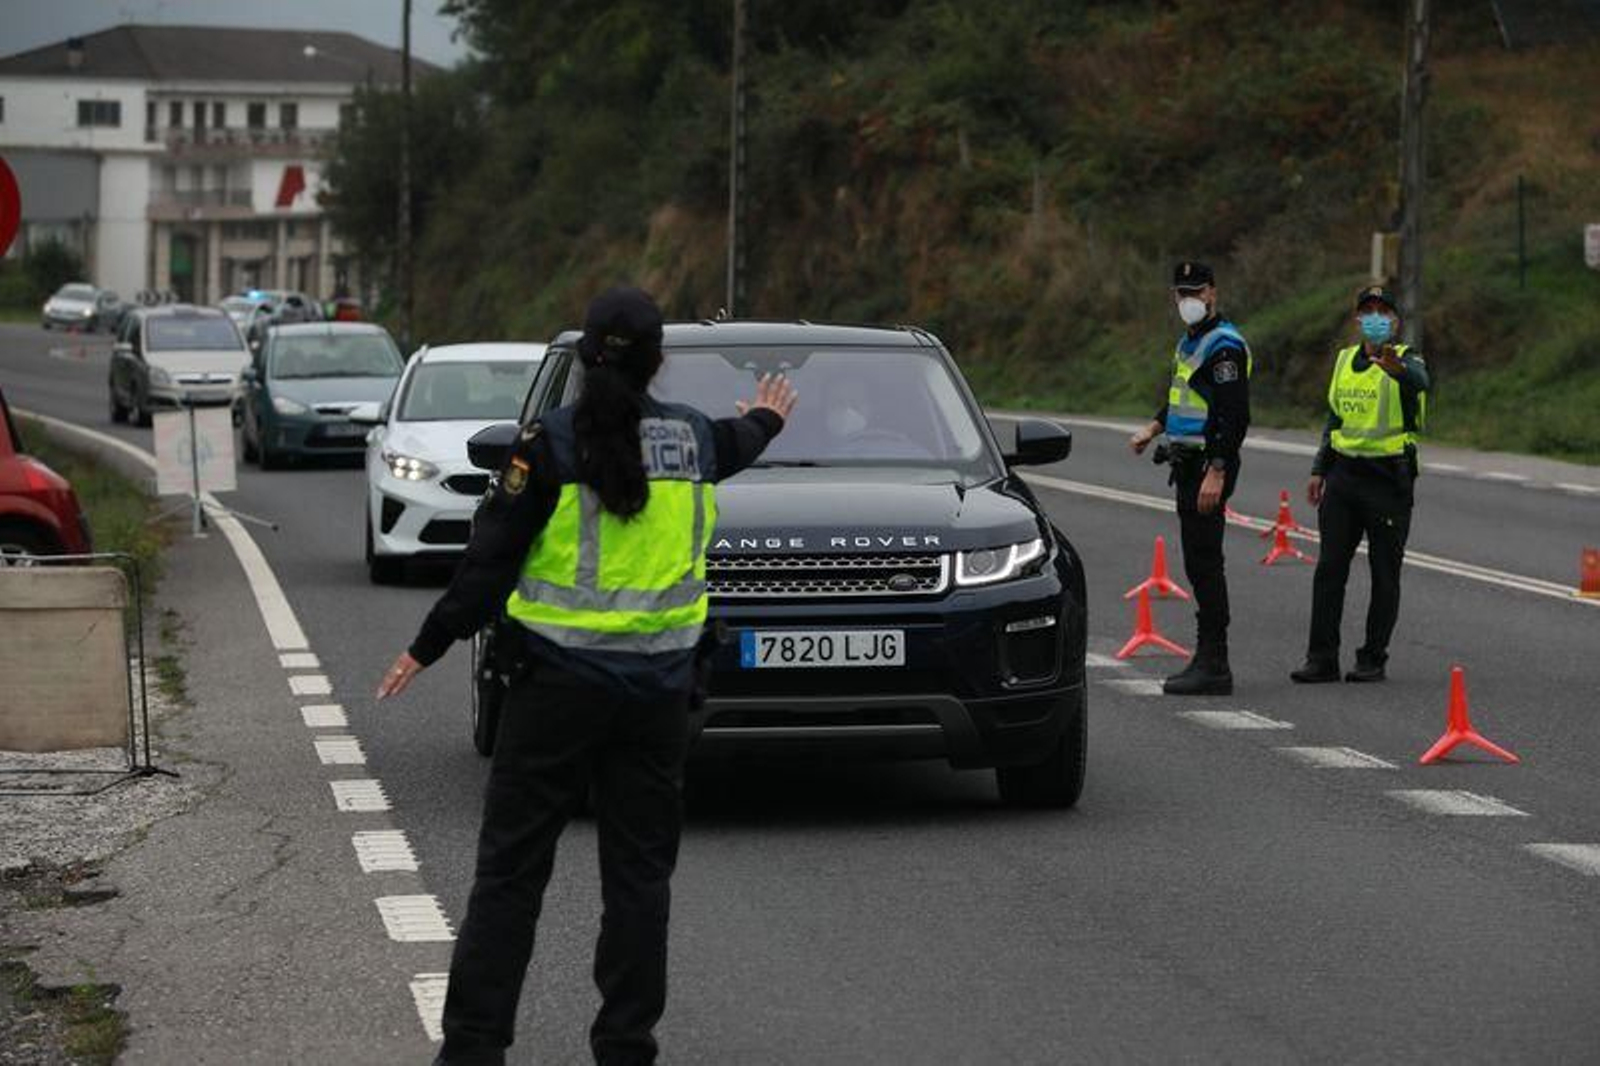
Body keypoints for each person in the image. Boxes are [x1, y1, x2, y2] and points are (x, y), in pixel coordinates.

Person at [375, 286, 797, 1065]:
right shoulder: (694, 441)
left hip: (554, 693)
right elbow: (744, 438)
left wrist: (426, 646)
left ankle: (472, 1050)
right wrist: (771, 415)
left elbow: (488, 565)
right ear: (657, 360)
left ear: (584, 355)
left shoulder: (550, 443)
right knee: (639, 883)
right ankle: (626, 1048)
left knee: (510, 875)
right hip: (660, 696)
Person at [1291, 285, 1428, 684]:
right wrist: (1320, 468)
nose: (1374, 318)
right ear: (1357, 320)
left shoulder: (1406, 359)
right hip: (1344, 476)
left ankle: (1372, 657)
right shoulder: (1344, 360)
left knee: (1384, 573)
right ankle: (1321, 658)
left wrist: (1395, 368)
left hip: (1388, 478)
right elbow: (1335, 419)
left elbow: (1421, 382)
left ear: (1395, 321)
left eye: (1383, 311)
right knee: (1329, 569)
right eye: (1367, 311)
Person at [1129, 261, 1252, 696]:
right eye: (1182, 293)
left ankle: (1214, 661)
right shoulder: (1191, 342)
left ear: (1213, 293)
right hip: (1188, 463)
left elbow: (1233, 415)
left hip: (1207, 466)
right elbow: (1186, 396)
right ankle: (1208, 657)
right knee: (1197, 562)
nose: (1189, 301)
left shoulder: (1223, 346)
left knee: (1205, 562)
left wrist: (1217, 471)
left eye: (1196, 292)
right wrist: (1154, 428)